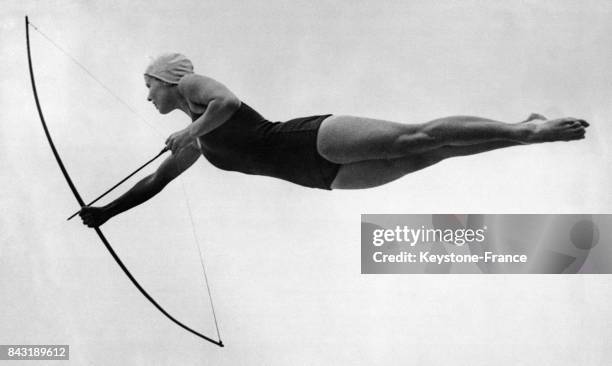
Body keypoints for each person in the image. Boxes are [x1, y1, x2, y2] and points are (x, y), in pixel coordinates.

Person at [79, 53, 589, 227]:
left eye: (149, 86)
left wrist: (190, 126)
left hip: (308, 140)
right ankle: (526, 134)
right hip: (323, 177)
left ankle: (528, 128)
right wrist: (106, 212)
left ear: (167, 79)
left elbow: (228, 105)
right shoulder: (194, 142)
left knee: (415, 136)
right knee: (435, 152)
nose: (147, 97)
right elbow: (155, 183)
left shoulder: (193, 93)